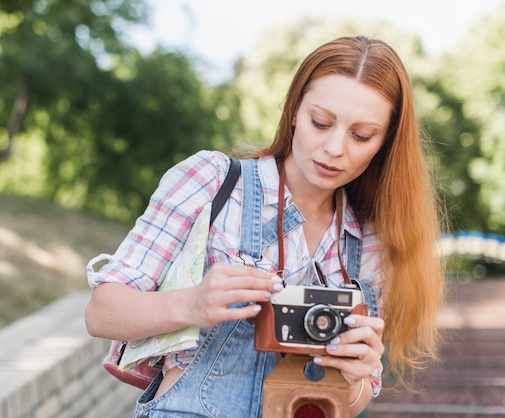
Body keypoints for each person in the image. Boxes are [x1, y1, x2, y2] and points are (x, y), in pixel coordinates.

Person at [85, 35, 445, 417]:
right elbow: (101, 312)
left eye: (361, 135)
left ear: (385, 142)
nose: (335, 148)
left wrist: (358, 373)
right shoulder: (212, 181)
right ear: (293, 110)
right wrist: (191, 304)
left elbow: (353, 403)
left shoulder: (372, 239)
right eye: (320, 122)